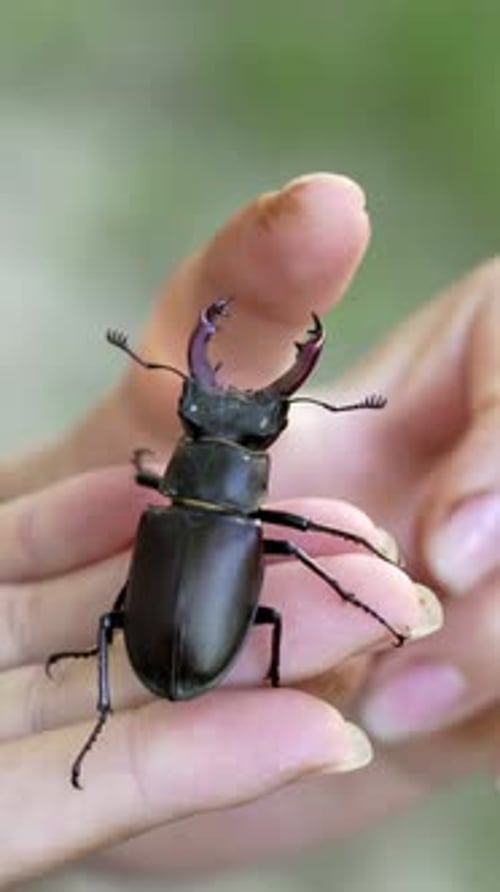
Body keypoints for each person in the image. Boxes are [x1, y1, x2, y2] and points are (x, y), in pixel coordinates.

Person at [0, 173, 498, 884]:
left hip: (167, 647)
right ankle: (259, 679)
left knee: (125, 617)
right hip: (184, 650)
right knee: (281, 577)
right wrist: (359, 573)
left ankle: (181, 701)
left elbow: (123, 603)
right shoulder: (215, 523)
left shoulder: (158, 511)